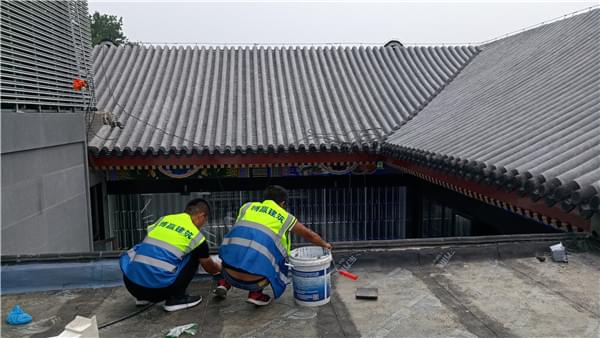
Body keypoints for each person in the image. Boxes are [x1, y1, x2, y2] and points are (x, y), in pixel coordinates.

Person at [215, 185, 332, 306]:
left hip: (227, 272)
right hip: (255, 281)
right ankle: (256, 294)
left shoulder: (247, 207)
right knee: (267, 256)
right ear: (282, 203)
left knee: (239, 248)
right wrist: (325, 244)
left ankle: (223, 283)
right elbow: (310, 235)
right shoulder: (285, 217)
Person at [120, 198, 221, 312]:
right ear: (201, 216)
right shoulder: (196, 237)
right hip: (160, 290)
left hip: (131, 285)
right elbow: (209, 267)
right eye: (205, 220)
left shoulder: (164, 219)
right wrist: (221, 268)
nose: (203, 224)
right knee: (194, 253)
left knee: (145, 246)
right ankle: (176, 298)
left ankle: (142, 298)